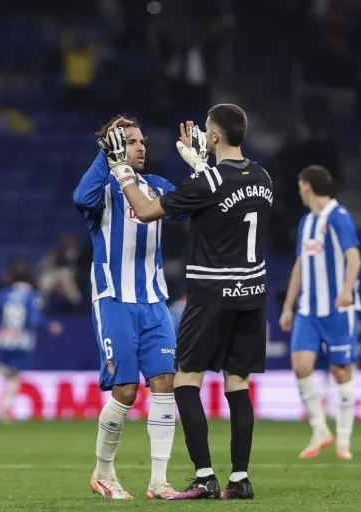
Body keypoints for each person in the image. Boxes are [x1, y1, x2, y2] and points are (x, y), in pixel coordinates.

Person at [113, 104, 272, 500]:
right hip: (252, 293)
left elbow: (147, 210)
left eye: (206, 129)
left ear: (214, 136)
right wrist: (201, 166)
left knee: (186, 380)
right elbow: (222, 208)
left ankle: (204, 475)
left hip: (212, 293)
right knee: (237, 385)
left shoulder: (211, 181)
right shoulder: (264, 177)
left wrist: (122, 172)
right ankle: (239, 479)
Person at [72, 115, 185, 500]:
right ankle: (103, 473)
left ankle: (158, 482)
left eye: (141, 142)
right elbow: (79, 199)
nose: (140, 147)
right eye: (131, 141)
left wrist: (202, 169)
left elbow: (191, 207)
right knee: (124, 390)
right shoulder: (104, 189)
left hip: (155, 301)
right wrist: (106, 156)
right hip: (115, 299)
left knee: (165, 384)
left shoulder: (157, 187)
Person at [278, 165, 361, 460]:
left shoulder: (339, 218)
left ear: (308, 186)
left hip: (338, 309)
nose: (299, 189)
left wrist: (346, 291)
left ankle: (343, 442)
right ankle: (320, 429)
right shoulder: (306, 222)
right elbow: (301, 265)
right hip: (309, 310)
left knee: (341, 372)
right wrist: (289, 305)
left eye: (301, 184)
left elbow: (354, 259)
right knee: (301, 366)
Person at [0, 271, 62, 423]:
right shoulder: (30, 294)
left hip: (5, 335)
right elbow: (34, 317)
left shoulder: (5, 293)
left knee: (11, 371)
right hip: (21, 337)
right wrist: (49, 324)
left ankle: (4, 410)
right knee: (14, 373)